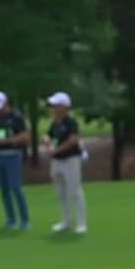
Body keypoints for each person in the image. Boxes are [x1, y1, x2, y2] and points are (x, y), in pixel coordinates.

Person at [0, 91, 31, 230]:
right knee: (4, 189)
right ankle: (11, 219)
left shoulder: (16, 117)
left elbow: (25, 137)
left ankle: (24, 220)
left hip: (13, 155)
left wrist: (7, 140)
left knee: (16, 188)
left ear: (6, 103)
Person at [45, 92, 88, 234]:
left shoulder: (71, 122)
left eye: (56, 105)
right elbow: (49, 136)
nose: (53, 107)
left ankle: (81, 223)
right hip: (57, 162)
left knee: (75, 191)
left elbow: (73, 140)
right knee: (60, 193)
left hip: (71, 160)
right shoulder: (54, 123)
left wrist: (55, 150)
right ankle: (66, 221)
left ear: (64, 107)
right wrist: (47, 141)